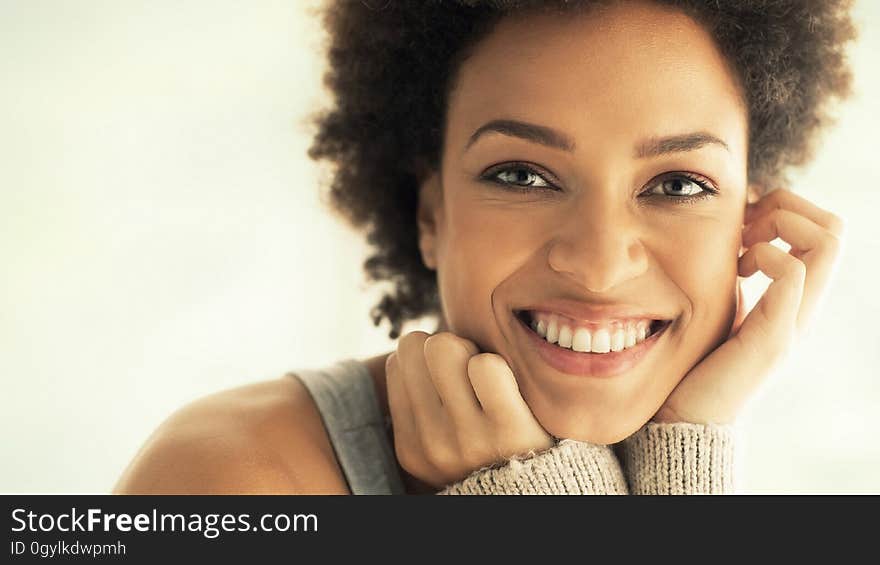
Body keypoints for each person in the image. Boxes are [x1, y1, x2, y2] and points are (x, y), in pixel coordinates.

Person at [114, 0, 855, 495]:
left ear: (750, 229)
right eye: (522, 174)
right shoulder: (228, 475)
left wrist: (684, 452)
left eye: (679, 185)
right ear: (430, 212)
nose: (598, 264)